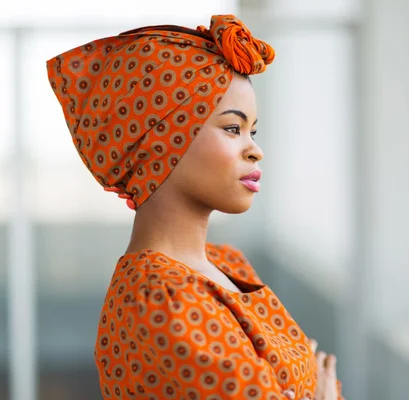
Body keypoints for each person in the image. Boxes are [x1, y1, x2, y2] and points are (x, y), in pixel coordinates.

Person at [46, 14, 343, 400]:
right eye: (233, 128)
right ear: (162, 140)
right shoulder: (160, 297)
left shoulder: (229, 265)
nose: (255, 149)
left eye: (253, 130)